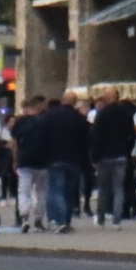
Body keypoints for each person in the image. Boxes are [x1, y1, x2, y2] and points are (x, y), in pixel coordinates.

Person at [38, 90, 92, 233]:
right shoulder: (80, 119)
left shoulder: (50, 116)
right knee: (69, 192)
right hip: (74, 160)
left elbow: (42, 137)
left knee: (55, 190)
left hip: (54, 158)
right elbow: (86, 141)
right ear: (74, 102)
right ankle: (66, 220)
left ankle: (57, 220)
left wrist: (43, 156)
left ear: (62, 100)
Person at [89, 87, 136, 224]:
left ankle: (101, 216)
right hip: (121, 155)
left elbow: (96, 136)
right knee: (118, 188)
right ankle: (117, 218)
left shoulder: (102, 114)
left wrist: (94, 157)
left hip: (105, 156)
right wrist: (128, 150)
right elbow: (131, 134)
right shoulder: (125, 113)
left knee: (103, 188)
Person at [7, 96, 49, 232]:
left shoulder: (19, 122)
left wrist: (15, 160)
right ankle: (38, 219)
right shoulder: (44, 122)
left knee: (23, 191)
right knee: (41, 191)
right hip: (43, 161)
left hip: (25, 160)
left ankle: (24, 217)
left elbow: (14, 143)